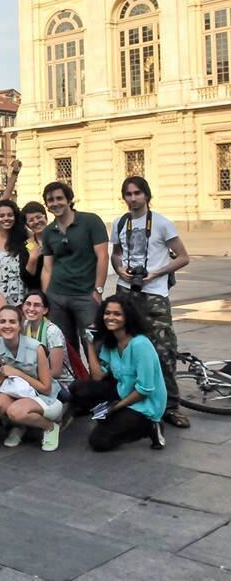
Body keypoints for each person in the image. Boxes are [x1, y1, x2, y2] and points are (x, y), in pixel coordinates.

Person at [110, 176, 191, 429]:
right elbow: (116, 254)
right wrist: (120, 269)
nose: (133, 198)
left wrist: (156, 273)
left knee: (164, 349)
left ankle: (171, 406)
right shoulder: (120, 223)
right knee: (123, 347)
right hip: (126, 291)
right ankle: (126, 398)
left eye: (137, 193)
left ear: (146, 195)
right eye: (128, 194)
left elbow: (184, 257)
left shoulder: (162, 223)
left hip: (154, 293)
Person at [69, 295, 167, 451]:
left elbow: (144, 390)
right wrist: (89, 343)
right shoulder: (112, 341)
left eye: (117, 314)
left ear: (128, 317)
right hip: (123, 391)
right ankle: (112, 417)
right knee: (78, 388)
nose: (110, 317)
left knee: (99, 442)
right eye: (107, 313)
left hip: (145, 404)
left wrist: (114, 408)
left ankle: (151, 426)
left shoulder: (140, 344)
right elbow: (98, 376)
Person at [40, 181, 109, 353]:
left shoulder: (90, 221)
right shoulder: (49, 231)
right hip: (57, 296)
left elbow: (103, 256)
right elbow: (47, 268)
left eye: (59, 198)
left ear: (69, 199)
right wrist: (46, 298)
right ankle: (74, 380)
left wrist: (98, 290)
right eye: (50, 200)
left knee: (94, 344)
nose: (55, 203)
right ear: (47, 205)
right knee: (64, 346)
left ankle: (98, 380)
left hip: (85, 295)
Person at [0, 306, 63, 452]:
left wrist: (19, 373)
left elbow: (46, 388)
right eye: (3, 321)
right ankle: (20, 425)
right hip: (17, 393)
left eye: (12, 322)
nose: (7, 326)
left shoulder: (36, 348)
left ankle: (50, 427)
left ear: (20, 325)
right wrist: (2, 374)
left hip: (43, 397)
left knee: (15, 411)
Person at [0, 199, 30, 305]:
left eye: (10, 215)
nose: (6, 218)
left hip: (23, 294)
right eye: (1, 216)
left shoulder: (26, 236)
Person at [21, 291, 67, 384]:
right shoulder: (23, 326)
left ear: (45, 310)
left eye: (37, 305)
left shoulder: (52, 332)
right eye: (28, 304)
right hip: (31, 378)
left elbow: (56, 372)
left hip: (58, 382)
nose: (31, 308)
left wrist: (25, 378)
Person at [22, 201, 48, 292]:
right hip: (38, 294)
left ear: (45, 217)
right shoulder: (28, 244)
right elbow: (27, 279)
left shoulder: (60, 237)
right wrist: (33, 258)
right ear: (27, 225)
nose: (36, 222)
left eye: (38, 217)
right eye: (31, 220)